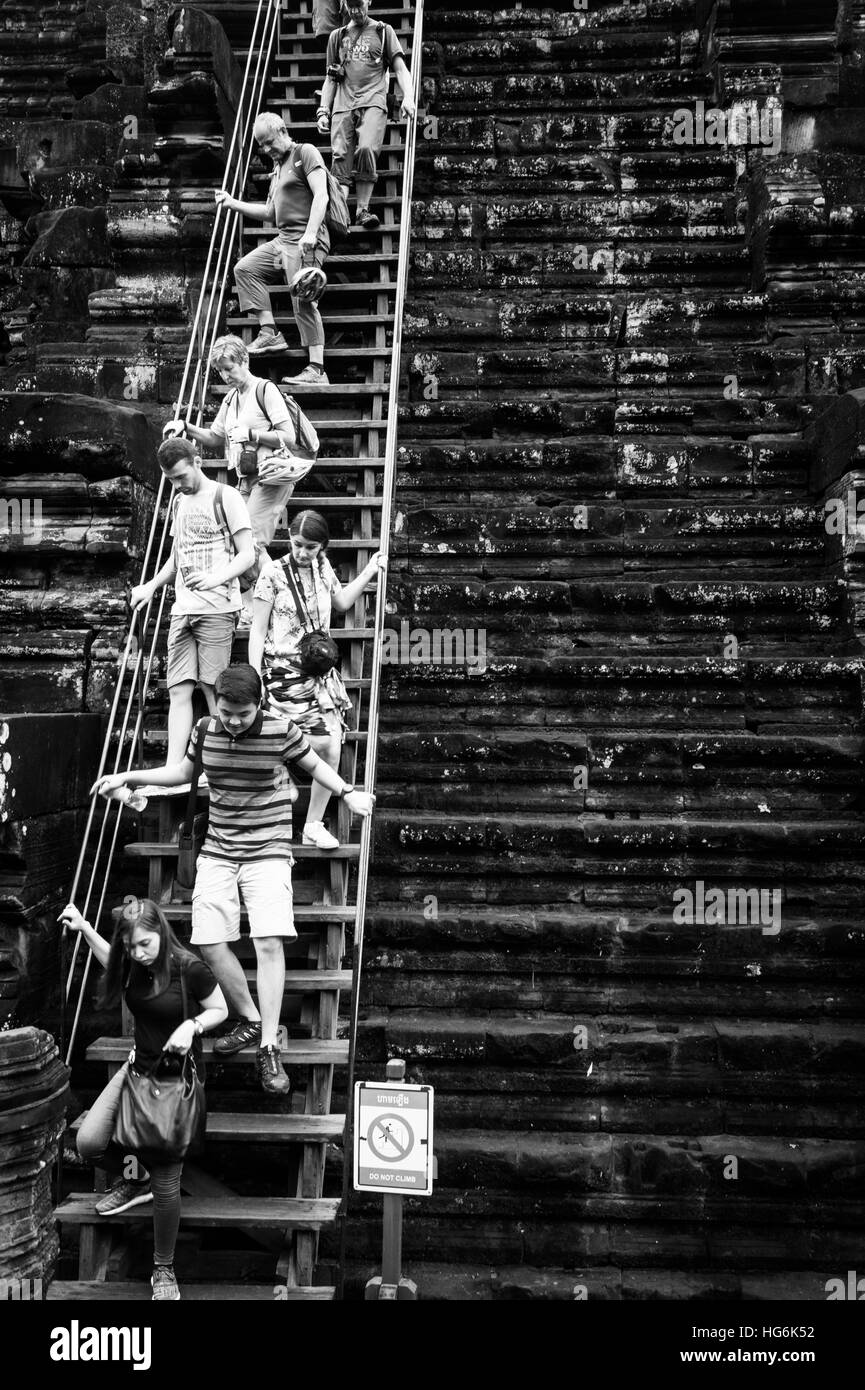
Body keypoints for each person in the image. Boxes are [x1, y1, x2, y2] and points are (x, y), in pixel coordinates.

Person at [91, 663, 375, 1096]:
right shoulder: (205, 728)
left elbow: (317, 766)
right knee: (207, 938)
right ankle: (252, 1017)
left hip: (268, 848)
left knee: (268, 940)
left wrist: (348, 793)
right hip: (219, 848)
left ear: (258, 704)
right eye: (227, 711)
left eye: (242, 713)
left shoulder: (282, 730)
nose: (234, 720)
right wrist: (129, 776)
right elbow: (184, 773)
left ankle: (267, 1046)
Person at [59, 897, 228, 1302]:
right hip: (137, 1071)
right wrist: (84, 928)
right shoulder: (132, 964)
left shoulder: (189, 969)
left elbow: (221, 1008)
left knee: (169, 1183)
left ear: (161, 933)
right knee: (89, 1142)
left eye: (145, 945)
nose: (138, 954)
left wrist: (193, 1025)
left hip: (175, 1082)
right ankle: (136, 1179)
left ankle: (164, 1268)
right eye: (131, 947)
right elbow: (109, 960)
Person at [248, 509, 385, 850]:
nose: (302, 552)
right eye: (296, 544)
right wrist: (255, 679)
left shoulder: (323, 568)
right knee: (292, 742)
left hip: (319, 672)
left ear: (323, 546)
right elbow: (257, 631)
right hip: (282, 671)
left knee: (332, 742)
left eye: (310, 546)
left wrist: (369, 570)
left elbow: (340, 602)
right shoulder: (272, 573)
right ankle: (274, 808)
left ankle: (312, 823)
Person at [163, 335, 312, 625]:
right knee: (234, 539)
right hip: (245, 479)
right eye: (220, 370)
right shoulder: (231, 399)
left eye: (229, 368)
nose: (226, 375)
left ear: (245, 360)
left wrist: (253, 435)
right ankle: (281, 599)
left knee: (251, 543)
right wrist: (186, 426)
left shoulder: (264, 390)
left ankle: (270, 604)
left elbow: (289, 437)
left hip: (271, 477)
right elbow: (216, 437)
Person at [130, 437, 255, 765]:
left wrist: (216, 578)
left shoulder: (225, 496)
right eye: (170, 480)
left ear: (197, 462)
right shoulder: (178, 502)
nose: (178, 485)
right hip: (182, 609)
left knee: (216, 691)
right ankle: (173, 768)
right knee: (178, 690)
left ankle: (220, 763)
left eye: (181, 477)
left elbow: (248, 555)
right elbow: (176, 557)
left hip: (218, 608)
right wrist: (151, 586)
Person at [215, 113, 330, 386]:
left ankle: (317, 369)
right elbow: (269, 212)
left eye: (268, 143)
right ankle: (270, 332)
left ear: (281, 130)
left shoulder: (306, 153)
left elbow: (321, 194)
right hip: (282, 241)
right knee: (244, 269)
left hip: (306, 238)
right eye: (261, 146)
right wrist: (233, 203)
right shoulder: (277, 169)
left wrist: (311, 233)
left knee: (301, 295)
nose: (266, 150)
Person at [317, 0, 416, 230]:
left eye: (359, 5)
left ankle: (362, 210)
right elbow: (330, 77)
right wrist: (323, 110)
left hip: (373, 101)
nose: (355, 11)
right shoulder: (337, 36)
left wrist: (408, 97)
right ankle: (341, 216)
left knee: (366, 149)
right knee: (340, 157)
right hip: (343, 105)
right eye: (350, 6)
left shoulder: (383, 31)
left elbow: (401, 68)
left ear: (369, 1)